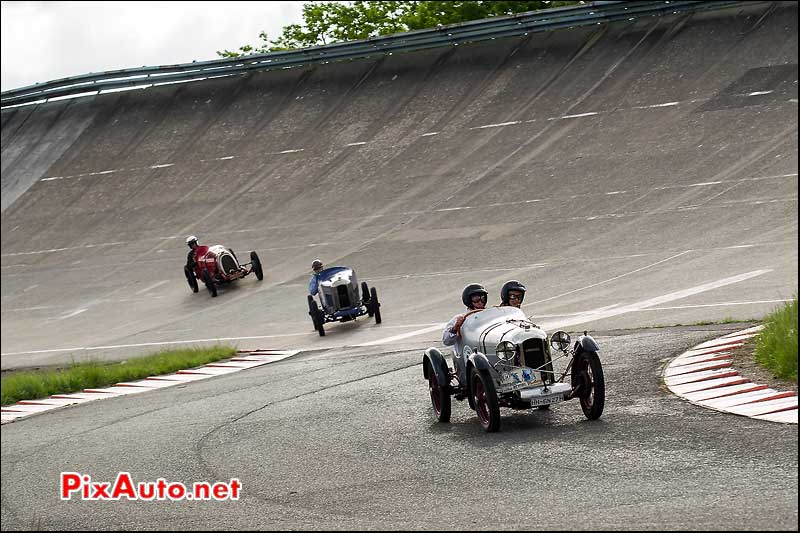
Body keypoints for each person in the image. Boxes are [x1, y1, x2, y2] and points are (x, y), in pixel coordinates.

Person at [442, 283, 488, 358]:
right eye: (476, 299)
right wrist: (455, 327)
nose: (480, 301)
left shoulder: (490, 315)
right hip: (468, 355)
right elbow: (446, 341)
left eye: (482, 298)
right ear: (468, 300)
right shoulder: (459, 318)